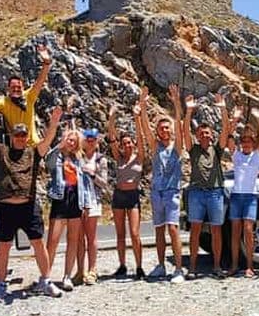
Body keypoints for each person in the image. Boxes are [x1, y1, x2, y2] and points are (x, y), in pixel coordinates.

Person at [0, 103, 63, 302]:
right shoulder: (1, 151)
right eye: (17, 135)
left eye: (23, 135)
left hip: (28, 206)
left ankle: (45, 280)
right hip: (6, 207)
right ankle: (1, 286)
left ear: (27, 137)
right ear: (12, 136)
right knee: (4, 246)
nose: (20, 138)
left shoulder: (34, 152)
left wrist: (54, 123)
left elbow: (48, 139)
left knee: (38, 243)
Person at [183, 93, 235, 278]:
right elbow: (183, 132)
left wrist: (222, 108)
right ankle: (192, 267)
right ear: (197, 136)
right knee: (195, 230)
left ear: (211, 135)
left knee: (216, 230)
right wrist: (189, 111)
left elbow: (226, 130)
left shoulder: (217, 150)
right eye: (201, 133)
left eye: (207, 133)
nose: (204, 135)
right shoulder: (193, 150)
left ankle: (216, 266)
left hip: (215, 193)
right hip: (196, 192)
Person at [139, 85, 185, 283]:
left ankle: (178, 268)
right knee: (158, 229)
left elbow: (181, 126)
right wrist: (142, 103)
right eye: (161, 128)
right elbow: (144, 129)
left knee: (173, 228)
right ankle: (160, 265)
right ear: (158, 132)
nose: (164, 130)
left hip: (172, 192)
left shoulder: (177, 147)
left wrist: (176, 103)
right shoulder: (155, 146)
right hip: (157, 192)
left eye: (167, 127)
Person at [0, 44, 52, 146]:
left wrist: (46, 63)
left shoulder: (29, 96)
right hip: (16, 147)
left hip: (34, 146)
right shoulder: (3, 102)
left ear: (23, 88)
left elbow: (40, 81)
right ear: (8, 89)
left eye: (19, 87)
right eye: (13, 87)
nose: (16, 89)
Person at [107, 104, 146, 280]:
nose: (127, 145)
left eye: (129, 142)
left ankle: (139, 267)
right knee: (120, 234)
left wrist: (137, 118)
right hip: (118, 196)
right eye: (124, 143)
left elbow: (141, 137)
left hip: (132, 197)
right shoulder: (119, 157)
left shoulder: (139, 157)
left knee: (135, 233)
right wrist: (111, 119)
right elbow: (112, 139)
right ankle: (122, 265)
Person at [45, 128, 86, 292]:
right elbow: (48, 162)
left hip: (75, 198)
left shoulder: (77, 159)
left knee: (73, 240)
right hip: (60, 198)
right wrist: (59, 146)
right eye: (70, 139)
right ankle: (46, 277)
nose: (72, 143)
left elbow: (82, 181)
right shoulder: (57, 156)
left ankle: (67, 276)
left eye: (75, 141)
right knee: (53, 240)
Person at [227, 123, 259, 278]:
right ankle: (235, 265)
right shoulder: (237, 156)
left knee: (248, 230)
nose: (246, 144)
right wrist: (233, 122)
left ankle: (250, 266)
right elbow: (229, 140)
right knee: (235, 233)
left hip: (250, 197)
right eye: (244, 142)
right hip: (236, 196)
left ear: (253, 144)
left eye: (249, 142)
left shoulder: (256, 156)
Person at [75, 127, 108, 286]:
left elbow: (104, 183)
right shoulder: (76, 157)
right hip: (78, 201)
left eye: (93, 139)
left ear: (97, 141)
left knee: (91, 236)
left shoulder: (101, 159)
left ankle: (92, 269)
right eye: (87, 139)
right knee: (79, 237)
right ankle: (80, 271)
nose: (90, 142)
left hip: (93, 200)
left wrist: (93, 174)